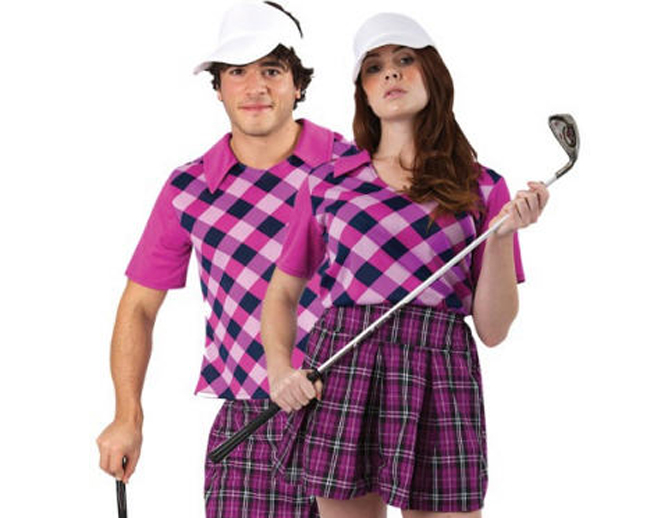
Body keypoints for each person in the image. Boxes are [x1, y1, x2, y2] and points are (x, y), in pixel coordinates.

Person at [261, 12, 549, 518]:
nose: (390, 73)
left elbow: (494, 329)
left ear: (432, 74)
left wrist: (502, 238)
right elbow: (282, 294)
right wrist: (281, 371)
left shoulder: (482, 186)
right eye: (374, 67)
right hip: (345, 367)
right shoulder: (327, 183)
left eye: (405, 59)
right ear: (364, 94)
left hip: (441, 369)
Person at [95, 2, 355, 517]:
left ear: (298, 84)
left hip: (349, 411)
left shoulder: (354, 168)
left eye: (272, 70)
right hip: (250, 422)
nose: (255, 87)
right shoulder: (189, 188)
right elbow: (139, 306)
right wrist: (128, 416)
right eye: (237, 71)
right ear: (218, 86)